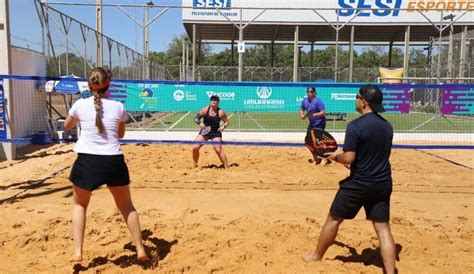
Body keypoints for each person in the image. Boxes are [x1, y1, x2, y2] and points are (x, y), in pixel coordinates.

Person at [304, 84, 396, 274]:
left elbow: (349, 158)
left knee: (333, 219)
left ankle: (316, 256)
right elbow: (374, 156)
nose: (355, 99)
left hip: (358, 184)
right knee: (383, 228)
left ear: (364, 101)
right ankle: (389, 270)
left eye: (356, 96)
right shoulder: (387, 127)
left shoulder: (355, 126)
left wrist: (336, 156)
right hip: (382, 182)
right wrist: (351, 160)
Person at [64, 67, 149, 262]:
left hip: (87, 161)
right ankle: (140, 249)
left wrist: (78, 116)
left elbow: (66, 126)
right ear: (108, 85)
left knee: (79, 205)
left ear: (89, 85)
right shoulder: (119, 106)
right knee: (127, 206)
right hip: (113, 160)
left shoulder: (79, 104)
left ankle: (78, 252)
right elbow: (120, 135)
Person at [192, 95, 230, 168]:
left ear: (218, 102)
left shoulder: (220, 112)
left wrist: (223, 126)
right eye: (212, 99)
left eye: (215, 100)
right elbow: (196, 118)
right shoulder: (205, 109)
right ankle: (195, 163)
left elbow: (226, 122)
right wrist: (200, 123)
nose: (213, 101)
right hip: (205, 131)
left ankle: (226, 167)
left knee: (218, 149)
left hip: (215, 132)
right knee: (195, 147)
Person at [300, 86, 329, 165]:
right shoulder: (304, 101)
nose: (310, 93)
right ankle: (316, 159)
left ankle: (324, 158)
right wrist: (302, 115)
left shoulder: (318, 101)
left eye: (312, 91)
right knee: (308, 141)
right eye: (308, 91)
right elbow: (302, 109)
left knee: (319, 141)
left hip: (320, 122)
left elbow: (323, 112)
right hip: (312, 123)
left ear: (314, 92)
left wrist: (313, 115)